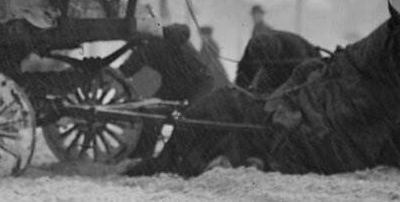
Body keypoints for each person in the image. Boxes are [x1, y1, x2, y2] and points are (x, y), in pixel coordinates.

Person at [120, 23, 225, 155]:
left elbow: (183, 31)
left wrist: (162, 31)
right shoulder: (151, 46)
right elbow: (130, 66)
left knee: (189, 120)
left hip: (198, 85)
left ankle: (182, 155)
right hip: (174, 85)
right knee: (149, 113)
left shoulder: (162, 40)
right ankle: (142, 154)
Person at [234, 28, 322, 94]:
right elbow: (244, 70)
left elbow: (301, 76)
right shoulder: (254, 44)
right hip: (276, 69)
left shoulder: (294, 47)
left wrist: (281, 91)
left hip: (305, 65)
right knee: (261, 91)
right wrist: (239, 90)